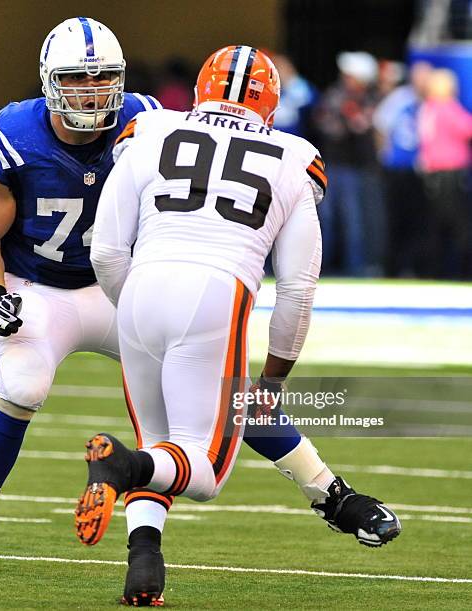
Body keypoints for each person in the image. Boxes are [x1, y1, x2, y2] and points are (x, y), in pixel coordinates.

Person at [79, 46, 402, 605]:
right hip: (214, 293)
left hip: (139, 287)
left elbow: (107, 250)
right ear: (271, 106)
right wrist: (272, 382)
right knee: (201, 473)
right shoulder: (294, 156)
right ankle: (118, 465)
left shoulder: (151, 128)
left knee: (162, 448)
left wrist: (131, 302)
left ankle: (144, 565)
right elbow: (297, 292)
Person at [0, 16, 164, 575]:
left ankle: (147, 548)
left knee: (187, 385)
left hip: (116, 287)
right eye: (77, 79)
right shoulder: (14, 136)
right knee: (20, 383)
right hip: (37, 286)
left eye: (103, 77)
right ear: (48, 80)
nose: (91, 90)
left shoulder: (146, 123)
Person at [313, 51, 382, 275]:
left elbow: (362, 127)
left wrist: (350, 118)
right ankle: (322, 266)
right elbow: (324, 124)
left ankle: (357, 266)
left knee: (355, 219)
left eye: (350, 75)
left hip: (357, 168)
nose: (345, 78)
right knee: (326, 218)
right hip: (332, 164)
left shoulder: (372, 98)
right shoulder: (336, 94)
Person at [373, 61, 433, 277]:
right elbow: (380, 124)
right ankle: (392, 268)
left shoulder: (434, 102)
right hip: (398, 169)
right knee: (395, 219)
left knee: (422, 221)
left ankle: (420, 268)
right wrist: (384, 155)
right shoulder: (401, 98)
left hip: (424, 170)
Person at [418, 68, 472, 278]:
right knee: (460, 225)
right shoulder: (446, 108)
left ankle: (437, 269)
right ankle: (461, 271)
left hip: (432, 174)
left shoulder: (428, 108)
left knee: (437, 223)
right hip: (450, 173)